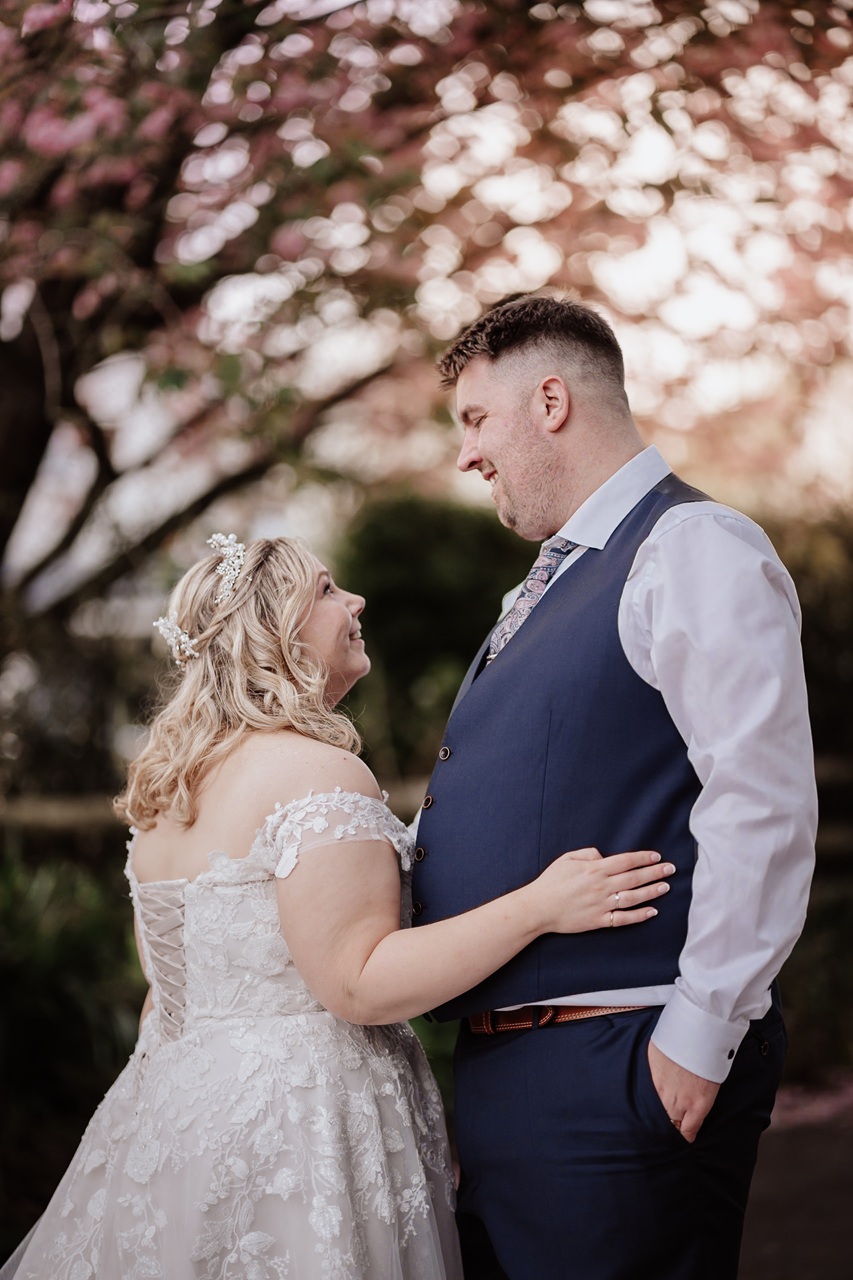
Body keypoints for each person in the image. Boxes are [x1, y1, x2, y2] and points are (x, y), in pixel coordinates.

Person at [1, 533, 675, 1280]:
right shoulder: (316, 771)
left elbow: (167, 997)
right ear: (275, 630)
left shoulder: (169, 795)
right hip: (300, 1128)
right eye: (325, 590)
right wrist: (540, 907)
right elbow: (359, 982)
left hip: (173, 1121)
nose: (353, 603)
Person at [410, 293, 817, 1280]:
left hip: (621, 1061)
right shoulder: (544, 583)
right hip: (512, 1070)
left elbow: (758, 796)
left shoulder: (690, 546)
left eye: (475, 419)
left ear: (549, 400)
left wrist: (697, 1034)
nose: (467, 454)